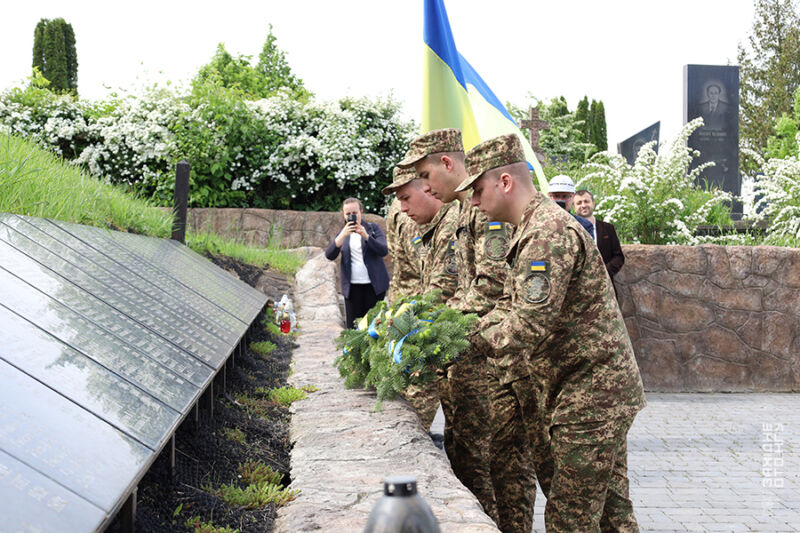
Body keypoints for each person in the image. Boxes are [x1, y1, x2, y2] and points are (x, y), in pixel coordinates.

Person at [456, 133, 646, 533]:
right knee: (613, 515)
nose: (473, 201)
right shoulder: (531, 228)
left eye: (477, 189)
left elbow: (527, 325)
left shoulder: (545, 234)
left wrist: (459, 339)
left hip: (592, 393)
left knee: (569, 519)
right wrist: (471, 324)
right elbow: (512, 304)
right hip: (587, 389)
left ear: (505, 182)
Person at [398, 128, 511, 527]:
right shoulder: (462, 211)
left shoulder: (486, 214)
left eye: (425, 177)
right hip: (468, 355)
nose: (426, 188)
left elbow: (489, 287)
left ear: (447, 164)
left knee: (494, 476)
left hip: (495, 367)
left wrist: (428, 327)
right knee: (468, 466)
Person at [381, 164, 458, 432]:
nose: (402, 209)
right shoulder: (423, 223)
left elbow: (442, 290)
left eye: (405, 198)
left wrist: (408, 328)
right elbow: (407, 274)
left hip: (452, 341)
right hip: (431, 330)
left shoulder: (452, 224)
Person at [324, 198, 389, 329]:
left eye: (354, 212)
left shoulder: (373, 228)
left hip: (374, 287)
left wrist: (366, 236)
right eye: (348, 214)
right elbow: (329, 255)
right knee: (353, 328)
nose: (351, 216)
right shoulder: (342, 234)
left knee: (374, 327)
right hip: (352, 289)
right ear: (343, 215)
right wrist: (341, 236)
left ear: (361, 212)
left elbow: (383, 250)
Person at [574, 189, 625, 296]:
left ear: (593, 203)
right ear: (574, 207)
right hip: (579, 290)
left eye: (586, 201)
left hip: (606, 288)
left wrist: (604, 272)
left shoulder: (608, 228)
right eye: (579, 203)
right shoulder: (570, 230)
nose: (583, 205)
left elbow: (619, 257)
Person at [385, 169, 422, 304]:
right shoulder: (410, 214)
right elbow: (423, 266)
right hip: (413, 296)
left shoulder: (398, 204)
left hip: (402, 293)